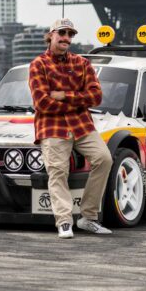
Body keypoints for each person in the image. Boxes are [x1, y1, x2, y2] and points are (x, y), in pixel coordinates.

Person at [28, 18, 114, 239]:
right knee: (58, 172)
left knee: (104, 159)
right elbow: (41, 103)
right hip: (52, 127)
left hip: (81, 125)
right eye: (62, 33)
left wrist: (64, 95)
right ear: (51, 35)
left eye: (70, 34)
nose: (66, 38)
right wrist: (78, 100)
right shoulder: (39, 64)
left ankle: (88, 217)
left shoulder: (82, 63)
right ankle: (64, 221)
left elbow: (96, 97)